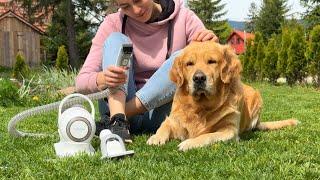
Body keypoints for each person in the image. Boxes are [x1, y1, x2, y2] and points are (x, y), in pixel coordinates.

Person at [75, 0, 218, 143]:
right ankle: (118, 122)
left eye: (138, 0)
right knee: (116, 39)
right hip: (118, 105)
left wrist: (212, 47)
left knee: (182, 58)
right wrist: (102, 78)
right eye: (125, 7)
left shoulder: (185, 18)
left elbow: (210, 67)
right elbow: (81, 82)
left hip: (164, 115)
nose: (136, 10)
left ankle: (119, 117)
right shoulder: (112, 24)